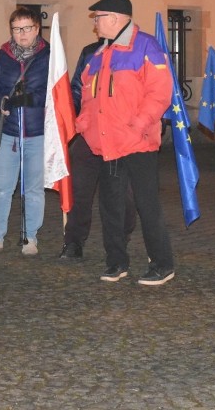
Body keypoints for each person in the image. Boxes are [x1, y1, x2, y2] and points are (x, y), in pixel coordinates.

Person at [75, 0, 176, 285]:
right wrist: (83, 123)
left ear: (117, 19)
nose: (95, 25)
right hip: (107, 143)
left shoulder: (146, 46)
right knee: (111, 204)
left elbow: (160, 93)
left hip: (138, 141)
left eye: (99, 18)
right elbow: (87, 94)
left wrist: (139, 124)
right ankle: (116, 262)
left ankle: (162, 264)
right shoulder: (99, 55)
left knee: (147, 204)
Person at [0, 7, 49, 256]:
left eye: (27, 28)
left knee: (33, 188)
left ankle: (31, 237)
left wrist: (31, 99)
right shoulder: (3, 55)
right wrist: (3, 100)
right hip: (9, 131)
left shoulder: (48, 56)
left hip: (37, 131)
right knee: (1, 187)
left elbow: (55, 90)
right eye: (17, 29)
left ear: (37, 29)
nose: (22, 34)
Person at [58, 36, 137, 260]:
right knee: (78, 189)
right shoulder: (90, 52)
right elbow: (75, 89)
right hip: (89, 132)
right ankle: (73, 241)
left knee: (123, 193)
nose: (97, 23)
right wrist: (67, 116)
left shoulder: (134, 52)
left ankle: (120, 238)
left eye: (102, 17)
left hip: (119, 134)